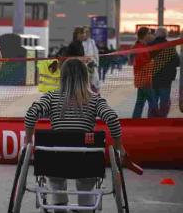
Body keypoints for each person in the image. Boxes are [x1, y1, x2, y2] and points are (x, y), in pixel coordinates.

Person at [24, 58, 125, 211]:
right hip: (86, 162)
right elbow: (111, 117)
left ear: (62, 76)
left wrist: (28, 141)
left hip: (55, 161)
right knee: (86, 180)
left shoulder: (51, 97)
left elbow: (31, 114)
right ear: (85, 77)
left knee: (56, 178)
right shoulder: (94, 99)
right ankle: (84, 206)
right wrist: (119, 146)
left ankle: (59, 206)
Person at [149, 28, 179, 117]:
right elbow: (177, 62)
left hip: (152, 78)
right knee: (164, 102)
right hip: (166, 79)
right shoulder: (170, 46)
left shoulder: (150, 46)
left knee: (152, 101)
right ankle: (162, 120)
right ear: (166, 35)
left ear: (156, 34)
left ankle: (151, 119)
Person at [132, 27, 157, 118]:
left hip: (144, 78)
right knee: (152, 101)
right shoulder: (139, 48)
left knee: (140, 102)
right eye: (149, 33)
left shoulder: (144, 46)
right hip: (143, 79)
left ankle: (135, 120)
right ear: (145, 36)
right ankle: (156, 120)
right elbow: (141, 62)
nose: (151, 35)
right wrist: (153, 62)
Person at [82, 26, 100, 92]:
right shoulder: (79, 43)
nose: (86, 34)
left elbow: (96, 54)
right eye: (85, 32)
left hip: (92, 66)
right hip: (83, 67)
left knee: (95, 82)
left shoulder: (92, 42)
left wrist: (96, 63)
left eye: (88, 32)